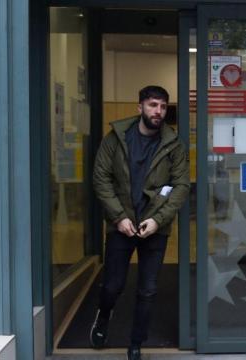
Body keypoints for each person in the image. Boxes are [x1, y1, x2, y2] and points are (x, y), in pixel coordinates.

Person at [90, 85, 189, 360]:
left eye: (162, 106)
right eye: (153, 105)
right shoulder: (115, 139)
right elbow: (101, 179)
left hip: (154, 228)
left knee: (148, 290)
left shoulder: (174, 145)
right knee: (113, 285)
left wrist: (157, 221)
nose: (158, 111)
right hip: (121, 225)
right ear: (140, 107)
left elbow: (181, 185)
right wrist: (119, 217)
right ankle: (104, 315)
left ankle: (136, 343)